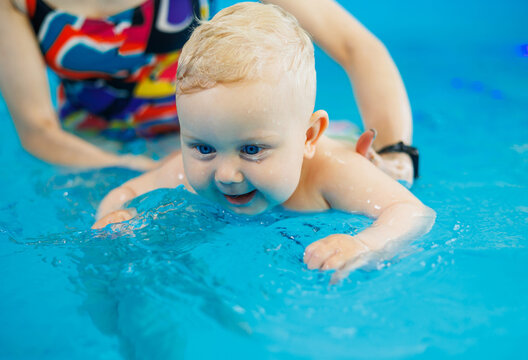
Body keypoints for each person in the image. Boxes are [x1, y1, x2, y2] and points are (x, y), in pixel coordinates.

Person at [93, 3, 435, 276]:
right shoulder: (191, 171)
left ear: (308, 136)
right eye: (203, 147)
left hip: (344, 142)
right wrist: (114, 215)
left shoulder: (332, 171)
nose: (226, 174)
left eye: (252, 150)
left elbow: (412, 213)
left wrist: (365, 245)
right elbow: (127, 191)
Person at [0, 0, 416, 182]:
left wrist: (397, 151)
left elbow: (355, 46)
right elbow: (38, 129)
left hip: (211, 136)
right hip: (89, 148)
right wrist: (132, 168)